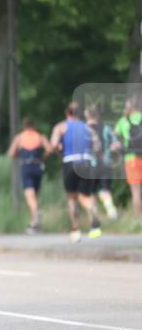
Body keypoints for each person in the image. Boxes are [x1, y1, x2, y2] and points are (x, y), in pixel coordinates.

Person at [50, 102, 102, 241]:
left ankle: (76, 230)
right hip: (86, 162)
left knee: (72, 198)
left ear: (67, 112)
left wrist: (59, 148)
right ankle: (94, 220)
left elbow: (53, 145)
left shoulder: (61, 127)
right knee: (86, 196)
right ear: (79, 113)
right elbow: (97, 147)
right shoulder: (88, 128)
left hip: (70, 162)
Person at [7, 118, 52, 233]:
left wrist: (18, 155)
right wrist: (42, 157)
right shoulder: (40, 137)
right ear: (34, 126)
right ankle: (34, 224)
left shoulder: (20, 137)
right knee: (35, 195)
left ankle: (36, 214)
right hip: (38, 166)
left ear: (24, 126)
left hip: (26, 166)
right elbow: (49, 149)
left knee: (30, 196)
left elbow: (11, 153)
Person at [85, 105, 119, 221]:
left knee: (90, 192)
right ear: (97, 115)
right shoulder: (106, 128)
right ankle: (110, 209)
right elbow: (116, 144)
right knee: (105, 189)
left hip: (90, 164)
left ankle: (94, 218)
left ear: (87, 115)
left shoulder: (84, 129)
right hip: (106, 162)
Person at [113, 94, 142, 218]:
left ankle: (138, 220)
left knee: (136, 191)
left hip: (131, 159)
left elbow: (114, 137)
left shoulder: (123, 120)